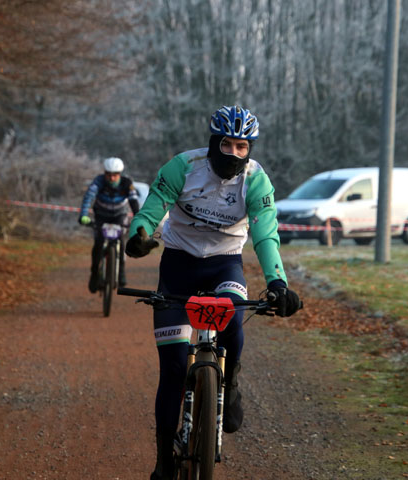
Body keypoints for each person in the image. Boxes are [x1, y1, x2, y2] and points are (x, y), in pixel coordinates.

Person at [125, 105, 302, 480]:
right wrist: (138, 237)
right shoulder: (182, 167)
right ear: (212, 143)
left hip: (225, 264)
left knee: (234, 317)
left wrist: (277, 283)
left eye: (242, 147)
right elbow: (150, 212)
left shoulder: (256, 181)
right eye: (227, 145)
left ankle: (231, 380)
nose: (234, 154)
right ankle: (163, 459)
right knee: (173, 369)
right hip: (178, 265)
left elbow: (265, 235)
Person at [79, 157, 140, 292]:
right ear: (105, 173)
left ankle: (121, 272)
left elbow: (134, 201)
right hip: (101, 215)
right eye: (109, 175)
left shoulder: (127, 183)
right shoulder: (98, 181)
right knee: (98, 243)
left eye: (115, 175)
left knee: (121, 241)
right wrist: (83, 215)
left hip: (119, 216)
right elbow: (88, 197)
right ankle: (94, 274)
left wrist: (139, 218)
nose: (112, 178)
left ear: (120, 174)